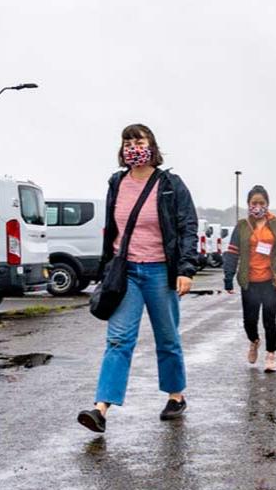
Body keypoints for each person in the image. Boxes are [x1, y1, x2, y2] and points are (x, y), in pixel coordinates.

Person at [77, 125, 198, 433]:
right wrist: (106, 269)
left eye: (139, 141)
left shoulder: (170, 184)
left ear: (151, 145)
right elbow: (113, 230)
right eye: (127, 142)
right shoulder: (117, 183)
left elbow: (187, 226)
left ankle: (175, 396)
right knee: (118, 340)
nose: (133, 146)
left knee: (167, 339)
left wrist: (185, 269)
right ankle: (100, 409)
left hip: (160, 271)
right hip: (126, 272)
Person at [223, 186, 276, 372]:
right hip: (249, 280)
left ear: (267, 204)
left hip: (272, 280)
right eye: (254, 203)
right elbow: (232, 253)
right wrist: (228, 277)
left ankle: (271, 355)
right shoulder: (242, 226)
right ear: (248, 205)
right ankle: (254, 341)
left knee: (269, 319)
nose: (258, 206)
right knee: (249, 321)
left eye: (262, 203)